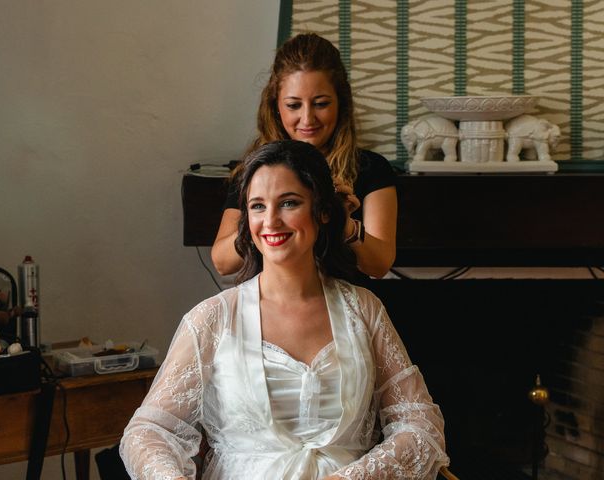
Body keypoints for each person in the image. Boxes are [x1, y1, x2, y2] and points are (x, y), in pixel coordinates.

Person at [120, 140, 448, 479]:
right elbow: (150, 431)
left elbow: (419, 423)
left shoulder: (363, 309)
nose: (271, 221)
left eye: (289, 202)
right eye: (258, 206)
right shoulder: (212, 318)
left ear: (322, 211)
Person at [211, 32, 397, 279]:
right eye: (294, 105)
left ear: (341, 103)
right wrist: (260, 217)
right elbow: (223, 263)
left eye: (320, 103)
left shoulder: (371, 168)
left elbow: (379, 265)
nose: (308, 119)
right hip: (270, 308)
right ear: (275, 105)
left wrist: (344, 222)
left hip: (345, 309)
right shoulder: (256, 170)